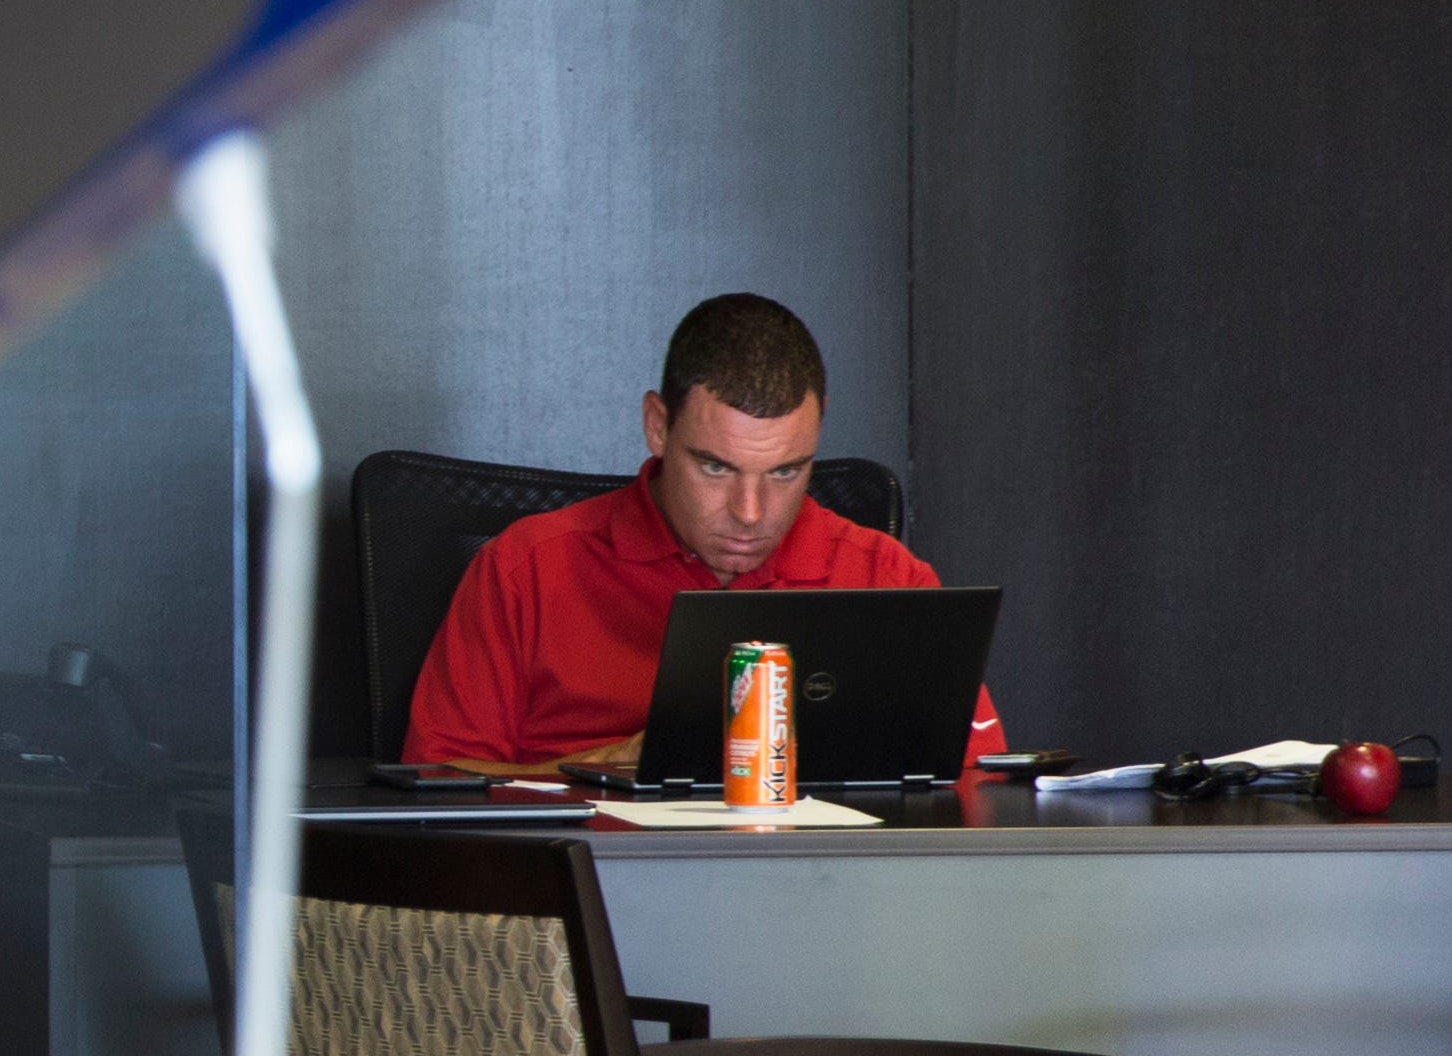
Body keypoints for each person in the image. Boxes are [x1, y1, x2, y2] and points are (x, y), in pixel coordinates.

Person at [402, 292, 1005, 773]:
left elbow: (979, 785)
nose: (750, 511)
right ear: (657, 427)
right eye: (716, 467)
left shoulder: (888, 578)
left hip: (821, 894)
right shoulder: (525, 570)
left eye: (784, 472)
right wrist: (594, 765)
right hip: (593, 888)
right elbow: (433, 787)